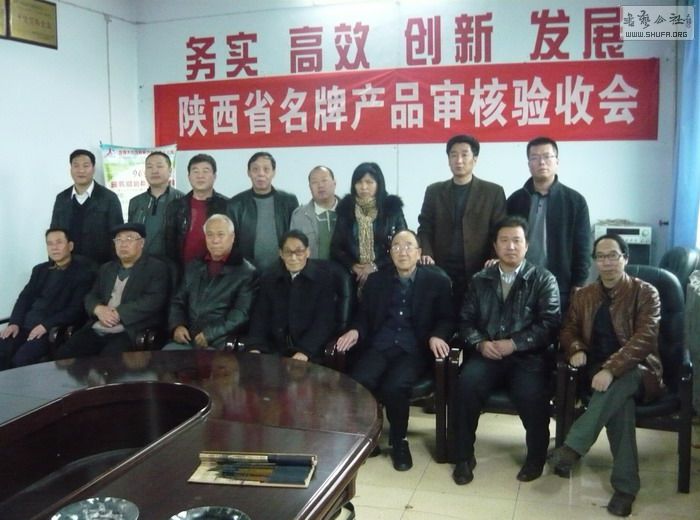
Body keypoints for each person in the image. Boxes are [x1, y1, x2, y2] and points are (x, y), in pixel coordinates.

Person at [548, 234, 662, 517]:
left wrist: (611, 369)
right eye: (601, 257)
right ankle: (626, 489)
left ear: (625, 258)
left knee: (620, 384)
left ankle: (574, 446)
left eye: (613, 255)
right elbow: (568, 329)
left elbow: (645, 339)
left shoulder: (646, 293)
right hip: (596, 373)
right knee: (620, 406)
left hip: (639, 370)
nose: (607, 262)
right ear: (595, 262)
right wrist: (575, 347)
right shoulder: (583, 295)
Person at [452, 216, 560, 485]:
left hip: (527, 357)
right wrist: (480, 343)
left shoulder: (543, 279)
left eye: (516, 240)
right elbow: (464, 321)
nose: (510, 246)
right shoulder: (480, 280)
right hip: (487, 354)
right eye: (504, 240)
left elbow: (550, 325)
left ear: (527, 245)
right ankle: (463, 456)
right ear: (495, 245)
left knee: (532, 395)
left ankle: (535, 457)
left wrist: (515, 343)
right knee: (465, 386)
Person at [335, 230, 454, 471]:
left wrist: (437, 335)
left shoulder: (437, 281)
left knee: (395, 386)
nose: (403, 251)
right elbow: (364, 316)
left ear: (419, 253)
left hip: (414, 349)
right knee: (360, 380)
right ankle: (370, 437)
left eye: (409, 246)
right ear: (390, 253)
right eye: (397, 246)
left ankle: (399, 441)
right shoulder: (376, 281)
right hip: (380, 344)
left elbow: (447, 318)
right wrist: (355, 330)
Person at [54, 223, 169, 358]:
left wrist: (118, 313)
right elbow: (91, 296)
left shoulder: (156, 268)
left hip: (129, 330)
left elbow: (153, 300)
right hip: (98, 326)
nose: (123, 244)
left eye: (129, 239)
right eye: (118, 240)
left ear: (142, 243)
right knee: (64, 355)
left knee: (108, 363)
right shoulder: (106, 268)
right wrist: (97, 309)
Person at [418, 135, 506, 307]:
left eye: (464, 154)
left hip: (480, 268)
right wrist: (426, 252)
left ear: (475, 159)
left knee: (475, 314)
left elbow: (500, 229)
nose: (459, 160)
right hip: (441, 267)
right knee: (443, 313)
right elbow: (425, 226)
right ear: (448, 160)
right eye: (453, 155)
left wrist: (496, 258)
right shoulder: (434, 191)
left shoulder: (493, 192)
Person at [506, 136, 591, 311]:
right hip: (520, 282)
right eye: (535, 157)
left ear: (557, 162)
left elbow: (583, 247)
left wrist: (579, 282)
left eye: (547, 156)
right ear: (528, 164)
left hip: (561, 285)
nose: (541, 162)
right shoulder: (515, 200)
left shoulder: (575, 201)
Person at [0, 229, 95, 369]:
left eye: (59, 242)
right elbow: (24, 298)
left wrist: (46, 325)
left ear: (70, 246)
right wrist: (14, 322)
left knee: (21, 360)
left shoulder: (83, 274)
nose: (54, 247)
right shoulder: (40, 270)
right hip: (24, 325)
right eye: (50, 244)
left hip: (51, 330)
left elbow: (75, 310)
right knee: (2, 351)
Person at [164, 214, 256, 351]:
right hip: (187, 338)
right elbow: (178, 301)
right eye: (210, 235)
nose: (215, 240)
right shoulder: (193, 266)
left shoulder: (246, 272)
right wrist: (177, 325)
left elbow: (240, 314)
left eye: (220, 235)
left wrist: (210, 334)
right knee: (167, 355)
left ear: (232, 237)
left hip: (219, 341)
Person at [245, 230, 336, 362]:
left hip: (310, 352)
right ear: (281, 253)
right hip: (274, 349)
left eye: (299, 252)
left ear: (308, 252)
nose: (293, 257)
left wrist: (304, 351)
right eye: (288, 252)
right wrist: (255, 346)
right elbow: (260, 317)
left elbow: (324, 322)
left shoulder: (322, 279)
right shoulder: (270, 278)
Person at [331, 162, 407, 288]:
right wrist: (353, 266)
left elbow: (402, 245)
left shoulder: (392, 209)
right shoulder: (346, 209)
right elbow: (336, 248)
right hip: (352, 276)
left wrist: (375, 266)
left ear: (379, 184)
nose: (363, 187)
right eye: (359, 182)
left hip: (386, 272)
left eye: (369, 182)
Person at [227, 151, 299, 270]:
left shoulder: (289, 201)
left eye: (266, 169)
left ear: (273, 172)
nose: (261, 174)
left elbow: (295, 237)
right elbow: (231, 243)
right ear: (248, 173)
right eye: (255, 169)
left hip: (283, 269)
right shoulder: (235, 204)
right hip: (247, 271)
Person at [50, 149, 124, 265]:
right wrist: (54, 265)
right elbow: (54, 234)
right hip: (68, 266)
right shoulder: (62, 199)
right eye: (76, 166)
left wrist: (115, 267)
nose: (81, 170)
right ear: (70, 169)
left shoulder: (109, 198)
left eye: (86, 166)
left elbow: (117, 236)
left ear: (93, 169)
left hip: (101, 266)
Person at [164, 153, 228, 270]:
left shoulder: (227, 206)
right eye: (195, 171)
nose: (200, 176)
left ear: (214, 176)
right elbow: (169, 244)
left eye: (205, 171)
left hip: (216, 271)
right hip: (182, 271)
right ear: (189, 177)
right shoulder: (176, 206)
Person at [128, 151, 185, 258]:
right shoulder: (135, 202)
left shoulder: (182, 200)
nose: (154, 171)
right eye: (149, 167)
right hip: (141, 262)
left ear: (170, 171)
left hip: (172, 263)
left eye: (159, 166)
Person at [290, 165, 339, 259]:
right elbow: (294, 250)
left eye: (324, 180)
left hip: (344, 268)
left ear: (334, 183)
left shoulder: (350, 211)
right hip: (312, 267)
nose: (320, 185)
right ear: (310, 187)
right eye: (314, 182)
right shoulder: (299, 215)